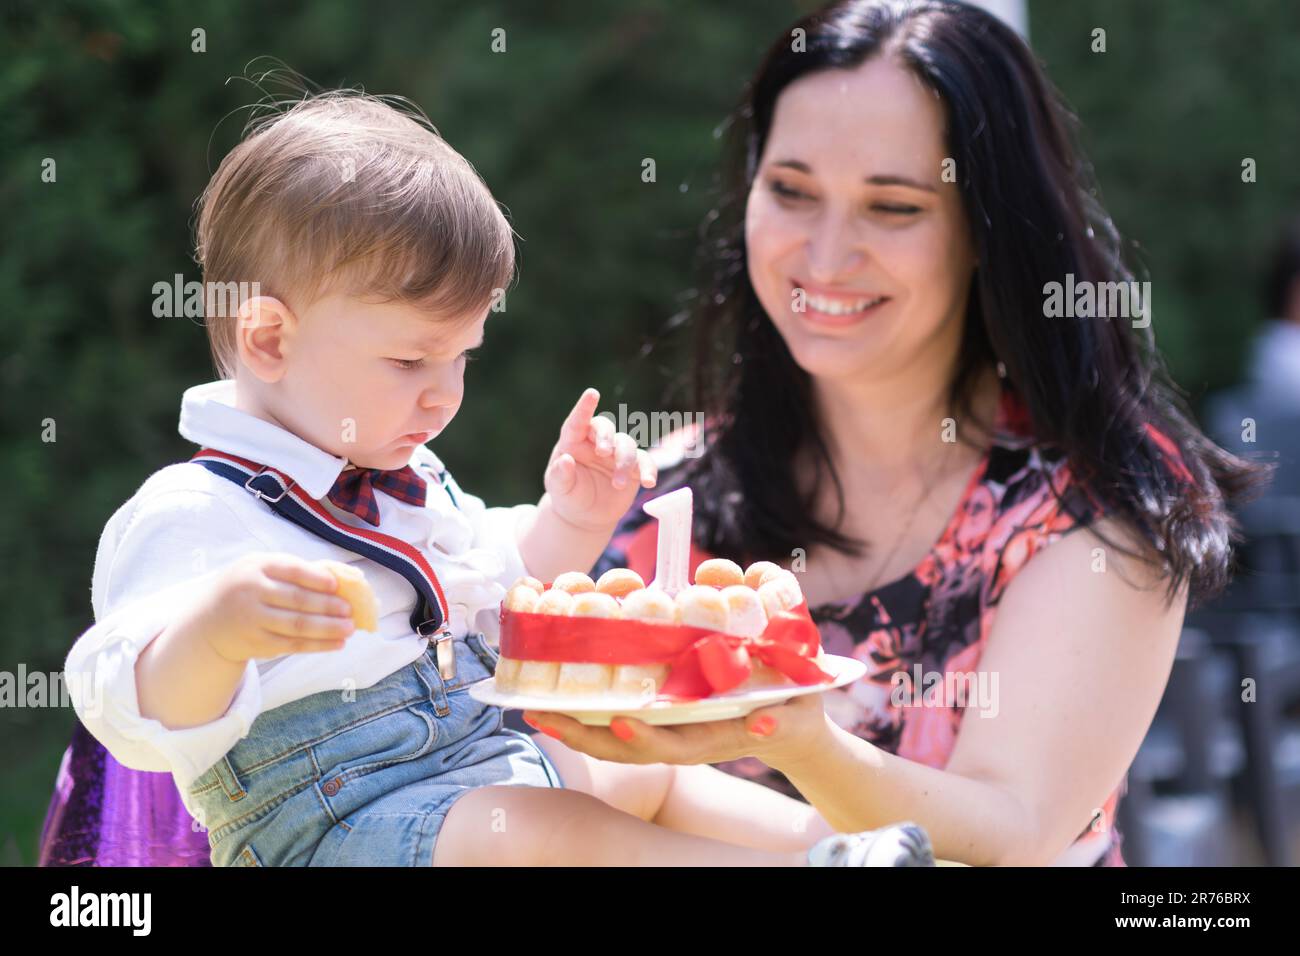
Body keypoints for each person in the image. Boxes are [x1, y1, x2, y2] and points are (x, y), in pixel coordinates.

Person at [46, 89, 925, 867]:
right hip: (338, 828)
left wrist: (569, 521)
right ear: (269, 339)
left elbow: (494, 582)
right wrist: (215, 631)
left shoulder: (404, 473)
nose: (444, 392)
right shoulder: (194, 514)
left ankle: (846, 847)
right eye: (409, 358)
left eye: (462, 357)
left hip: (475, 766)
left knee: (643, 772)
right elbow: (121, 704)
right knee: (550, 833)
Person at [522, 0, 1273, 867]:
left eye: (894, 206)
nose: (827, 255)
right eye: (792, 192)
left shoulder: (1099, 507)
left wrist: (796, 737)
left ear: (988, 228)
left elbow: (1016, 828)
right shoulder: (663, 488)